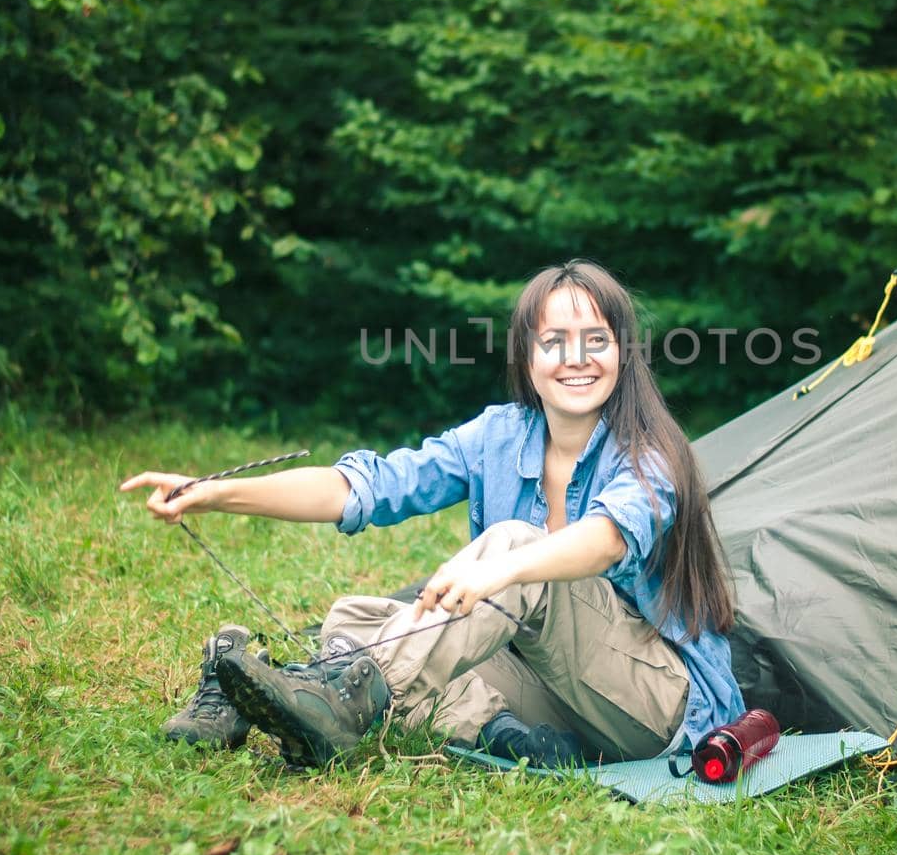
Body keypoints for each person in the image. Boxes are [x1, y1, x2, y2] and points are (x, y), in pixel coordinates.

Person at [120, 259, 744, 768]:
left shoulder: (652, 453)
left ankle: (340, 702)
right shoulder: (499, 436)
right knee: (360, 618)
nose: (574, 358)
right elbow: (366, 487)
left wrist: (501, 570)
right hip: (558, 694)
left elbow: (606, 540)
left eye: (596, 341)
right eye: (553, 342)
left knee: (509, 550)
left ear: (623, 352)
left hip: (656, 705)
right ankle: (264, 697)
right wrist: (214, 492)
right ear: (528, 357)